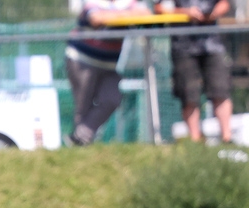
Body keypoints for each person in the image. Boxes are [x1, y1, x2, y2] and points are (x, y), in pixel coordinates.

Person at [64, 0, 151, 146]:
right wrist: (126, 16)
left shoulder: (128, 3)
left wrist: (113, 15)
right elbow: (96, 19)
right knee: (83, 106)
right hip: (82, 60)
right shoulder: (93, 2)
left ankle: (79, 138)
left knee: (112, 99)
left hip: (109, 65)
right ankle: (80, 146)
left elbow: (145, 14)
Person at [155, 0, 233, 143]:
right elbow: (159, 8)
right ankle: (195, 141)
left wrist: (213, 13)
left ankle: (227, 138)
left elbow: (225, 3)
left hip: (212, 45)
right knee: (188, 94)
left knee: (220, 91)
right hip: (183, 47)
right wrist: (185, 12)